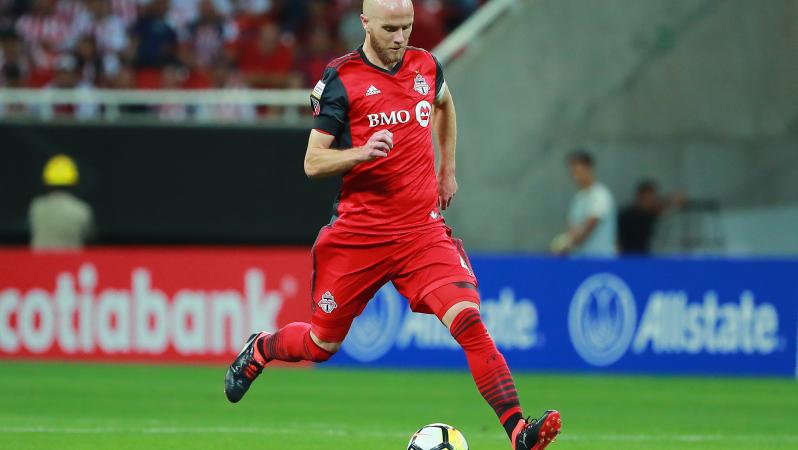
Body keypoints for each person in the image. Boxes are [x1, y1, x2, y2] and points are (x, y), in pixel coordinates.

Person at [223, 1, 561, 449]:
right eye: (389, 29)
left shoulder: (426, 66)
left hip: (422, 233)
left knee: (469, 322)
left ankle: (518, 430)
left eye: (406, 27)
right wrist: (360, 153)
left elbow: (444, 103)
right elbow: (312, 161)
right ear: (365, 23)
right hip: (359, 236)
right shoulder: (341, 79)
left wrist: (447, 169)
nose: (400, 38)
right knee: (321, 345)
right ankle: (262, 348)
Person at [551, 151, 617, 256]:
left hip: (600, 260)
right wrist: (565, 242)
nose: (575, 176)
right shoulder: (578, 199)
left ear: (589, 169)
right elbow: (572, 228)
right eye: (572, 172)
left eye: (578, 171)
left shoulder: (601, 195)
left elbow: (588, 227)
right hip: (580, 260)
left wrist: (565, 242)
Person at [29, 154, 94, 250]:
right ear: (74, 182)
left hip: (41, 260)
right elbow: (90, 237)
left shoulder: (36, 207)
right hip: (72, 260)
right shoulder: (82, 209)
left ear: (46, 182)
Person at [617, 179, 684, 254]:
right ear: (639, 196)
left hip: (644, 255)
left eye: (652, 198)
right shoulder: (626, 215)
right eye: (647, 198)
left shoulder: (650, 214)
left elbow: (665, 208)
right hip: (626, 256)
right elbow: (618, 239)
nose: (650, 201)